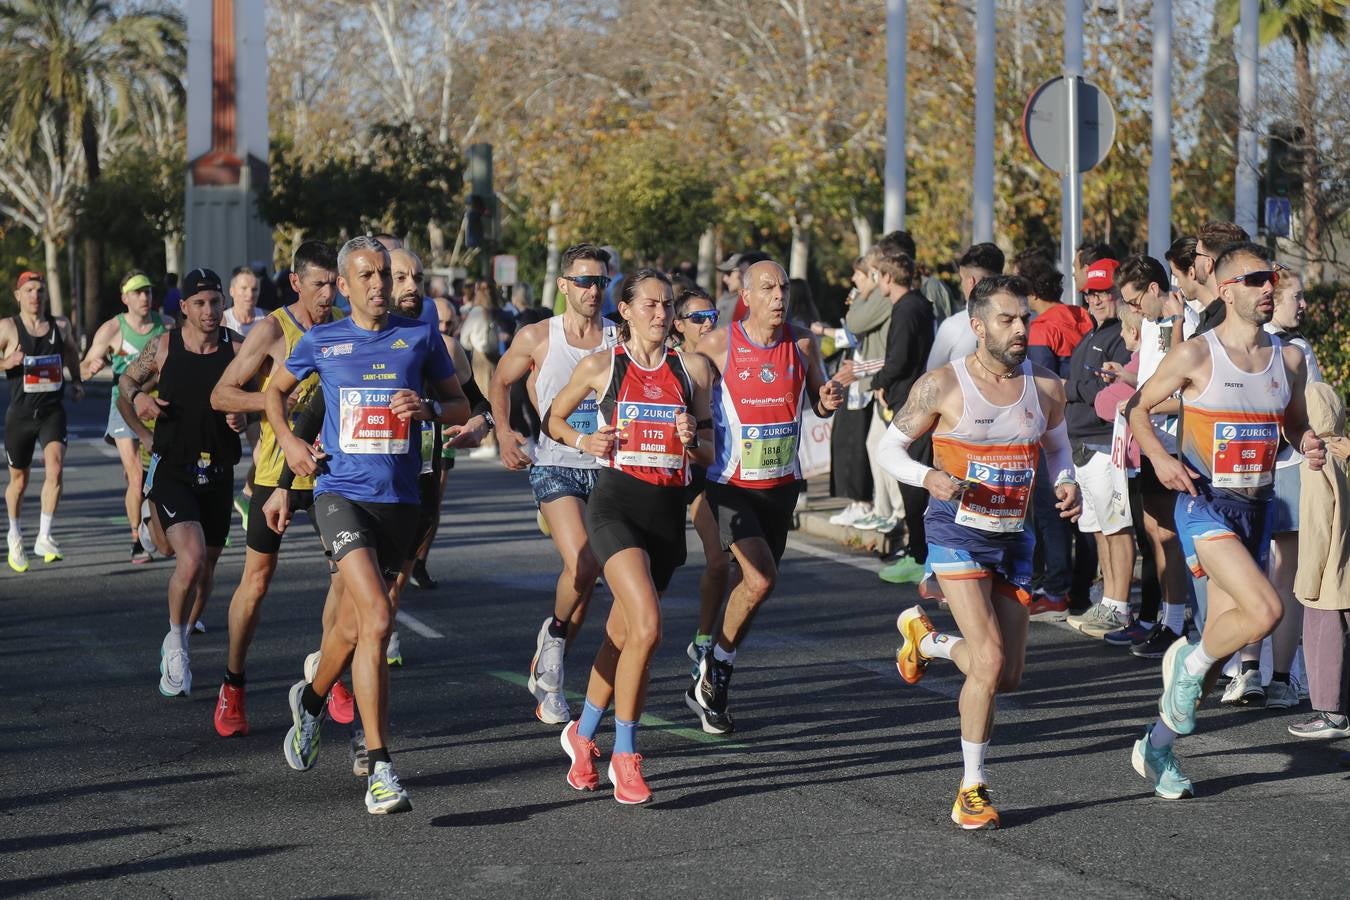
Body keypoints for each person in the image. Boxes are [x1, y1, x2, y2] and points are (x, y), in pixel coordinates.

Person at [267, 235, 467, 815]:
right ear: (344, 285)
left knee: (355, 627)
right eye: (367, 275)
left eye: (384, 273)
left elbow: (458, 405)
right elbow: (277, 395)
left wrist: (428, 409)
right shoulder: (322, 340)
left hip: (401, 500)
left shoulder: (420, 337)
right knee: (378, 617)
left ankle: (310, 700)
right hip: (339, 495)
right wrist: (290, 447)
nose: (379, 284)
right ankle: (381, 768)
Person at [879, 274, 1080, 829]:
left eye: (1024, 319)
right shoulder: (943, 385)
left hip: (1014, 535)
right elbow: (889, 448)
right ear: (977, 326)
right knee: (988, 661)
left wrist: (1068, 483)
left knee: (1005, 676)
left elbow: (1058, 449)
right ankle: (971, 787)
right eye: (1006, 319)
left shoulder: (1046, 387)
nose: (1019, 329)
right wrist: (928, 477)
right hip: (956, 531)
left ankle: (929, 641)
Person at [1125, 241, 1324, 800]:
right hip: (1203, 502)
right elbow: (1136, 408)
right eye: (1256, 279)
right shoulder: (1196, 355)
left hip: (1256, 508)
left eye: (1273, 278)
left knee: (1217, 659)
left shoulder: (1289, 359)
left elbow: (1292, 424)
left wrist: (1307, 441)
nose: (1268, 288)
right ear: (1226, 289)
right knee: (1266, 610)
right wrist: (1161, 459)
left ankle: (1156, 746)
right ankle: (1187, 664)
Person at [550, 268, 715, 804]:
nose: (661, 314)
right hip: (616, 506)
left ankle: (581, 735)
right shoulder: (603, 366)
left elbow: (709, 451)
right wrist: (584, 441)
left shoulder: (693, 369)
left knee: (622, 636)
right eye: (650, 304)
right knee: (648, 627)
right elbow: (554, 419)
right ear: (625, 311)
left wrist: (692, 440)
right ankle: (625, 755)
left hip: (666, 515)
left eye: (667, 305)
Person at [685, 259, 844, 734]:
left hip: (782, 486)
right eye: (768, 288)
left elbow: (818, 398)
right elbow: (684, 390)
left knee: (751, 590)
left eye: (784, 288)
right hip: (730, 484)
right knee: (760, 579)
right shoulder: (717, 345)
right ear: (747, 297)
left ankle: (714, 667)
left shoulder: (803, 343)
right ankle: (716, 666)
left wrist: (827, 401)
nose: (779, 296)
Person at [206, 240, 352, 738]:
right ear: (295, 283)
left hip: (333, 474)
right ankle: (233, 683)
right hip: (277, 473)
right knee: (257, 582)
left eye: (333, 284)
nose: (328, 294)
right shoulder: (273, 329)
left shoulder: (345, 326)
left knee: (345, 579)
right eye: (318, 285)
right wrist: (273, 402)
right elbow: (221, 393)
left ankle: (329, 671)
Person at [490, 243, 617, 726]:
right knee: (581, 560)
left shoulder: (619, 336)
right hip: (555, 463)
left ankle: (554, 656)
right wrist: (504, 432)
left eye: (600, 281)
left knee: (586, 580)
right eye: (583, 281)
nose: (592, 290)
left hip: (607, 466)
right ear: (564, 285)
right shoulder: (539, 336)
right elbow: (500, 381)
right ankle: (556, 641)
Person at [116, 268, 245, 697]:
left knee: (205, 571)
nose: (209, 311)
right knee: (188, 559)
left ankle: (183, 638)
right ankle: (174, 643)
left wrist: (245, 415)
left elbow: (265, 397)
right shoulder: (164, 346)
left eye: (215, 302)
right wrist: (141, 414)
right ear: (184, 307)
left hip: (219, 471)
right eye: (200, 303)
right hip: (173, 466)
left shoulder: (238, 348)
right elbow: (125, 383)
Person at [1221, 267, 1323, 708]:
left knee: (1258, 572)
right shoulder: (1294, 351)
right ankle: (1274, 677)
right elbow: (1315, 412)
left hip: (1255, 466)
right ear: (1273, 299)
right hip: (1270, 469)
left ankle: (1254, 672)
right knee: (1282, 575)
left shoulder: (1246, 347)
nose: (1303, 305)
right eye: (1296, 296)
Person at [1113, 255, 1195, 659]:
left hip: (1178, 443)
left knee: (1175, 534)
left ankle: (1180, 622)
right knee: (1155, 531)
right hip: (1151, 440)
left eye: (1134, 301)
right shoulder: (1149, 325)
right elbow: (1149, 382)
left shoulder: (1187, 320)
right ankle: (1169, 617)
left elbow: (1186, 391)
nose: (1133, 310)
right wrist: (1135, 400)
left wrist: (1142, 407)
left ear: (1153, 289)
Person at [1061, 258, 1136, 639]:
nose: (1094, 299)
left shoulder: (1121, 336)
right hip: (1085, 444)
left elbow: (1110, 393)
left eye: (1102, 292)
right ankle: (1109, 601)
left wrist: (1072, 388)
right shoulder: (1093, 334)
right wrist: (1078, 387)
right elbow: (1089, 386)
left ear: (1118, 292)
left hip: (1106, 443)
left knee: (1116, 528)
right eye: (1089, 293)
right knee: (1101, 529)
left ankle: (1119, 606)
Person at [80, 270, 167, 564]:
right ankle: (136, 539)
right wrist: (91, 367)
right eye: (138, 292)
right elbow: (82, 368)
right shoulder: (112, 329)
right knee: (136, 474)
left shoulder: (165, 325)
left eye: (148, 291)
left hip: (155, 405)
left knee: (155, 474)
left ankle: (155, 521)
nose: (144, 297)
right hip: (123, 407)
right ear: (125, 298)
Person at [671, 284, 734, 675]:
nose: (708, 323)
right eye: (698, 318)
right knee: (656, 567)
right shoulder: (665, 360)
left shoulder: (725, 360)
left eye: (712, 316)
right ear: (678, 325)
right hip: (663, 469)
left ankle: (703, 641)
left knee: (719, 561)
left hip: (704, 468)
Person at [2, 271, 83, 572]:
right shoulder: (8, 327)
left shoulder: (60, 325)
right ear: (18, 295)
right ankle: (14, 534)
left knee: (56, 469)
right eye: (29, 290)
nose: (35, 296)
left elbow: (71, 352)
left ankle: (44, 536)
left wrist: (77, 381)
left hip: (52, 412)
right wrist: (6, 362)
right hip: (20, 415)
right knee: (19, 482)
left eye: (40, 290)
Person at [870, 248, 937, 584]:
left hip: (911, 402)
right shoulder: (919, 304)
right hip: (919, 397)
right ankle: (920, 551)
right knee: (917, 477)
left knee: (911, 479)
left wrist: (878, 381)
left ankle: (919, 555)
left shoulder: (907, 307)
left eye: (877, 275)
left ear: (887, 277)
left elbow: (899, 360)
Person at [1288, 381, 1350, 739]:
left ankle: (1331, 715)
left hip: (1328, 574)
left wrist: (1306, 581)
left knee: (1324, 642)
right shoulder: (1346, 452)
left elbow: (1317, 527)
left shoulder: (1317, 460)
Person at [925, 243, 1004, 372]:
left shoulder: (953, 326)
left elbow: (932, 373)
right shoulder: (1020, 322)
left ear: (971, 281)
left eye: (962, 279)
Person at [224, 266, 262, 336]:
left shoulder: (268, 319)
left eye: (254, 289)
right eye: (244, 288)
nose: (250, 294)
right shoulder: (222, 322)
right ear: (231, 291)